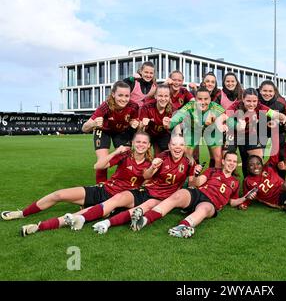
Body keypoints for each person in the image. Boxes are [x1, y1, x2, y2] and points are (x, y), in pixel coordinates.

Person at [9, 132, 153, 236]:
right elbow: (98, 166)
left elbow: (146, 186)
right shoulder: (124, 155)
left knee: (75, 215)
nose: (141, 145)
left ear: (149, 146)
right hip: (103, 190)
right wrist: (115, 152)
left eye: (144, 142)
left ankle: (39, 227)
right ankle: (23, 213)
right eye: (138, 142)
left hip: (116, 201)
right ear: (133, 143)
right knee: (59, 194)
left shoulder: (151, 165)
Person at [62, 136, 199, 234]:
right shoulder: (163, 156)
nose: (177, 147)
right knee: (118, 198)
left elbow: (192, 184)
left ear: (184, 146)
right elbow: (146, 176)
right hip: (147, 190)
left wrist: (196, 174)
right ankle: (81, 218)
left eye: (181, 144)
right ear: (169, 146)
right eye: (174, 144)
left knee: (143, 207)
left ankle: (106, 223)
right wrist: (153, 167)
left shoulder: (189, 161)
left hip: (162, 198)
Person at [128, 151, 245, 238]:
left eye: (234, 161)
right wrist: (196, 174)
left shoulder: (235, 181)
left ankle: (181, 227)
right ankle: (144, 220)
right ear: (223, 161)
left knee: (204, 209)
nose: (232, 163)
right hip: (198, 193)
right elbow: (196, 183)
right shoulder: (212, 170)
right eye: (229, 160)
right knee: (178, 195)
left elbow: (232, 201)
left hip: (210, 203)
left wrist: (245, 198)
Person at [217, 88, 286, 177]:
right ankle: (224, 183)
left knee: (258, 160)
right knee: (227, 160)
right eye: (248, 101)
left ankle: (255, 184)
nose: (252, 104)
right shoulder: (236, 106)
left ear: (257, 100)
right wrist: (221, 126)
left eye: (254, 101)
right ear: (243, 99)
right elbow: (220, 118)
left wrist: (285, 119)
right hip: (233, 134)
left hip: (250, 135)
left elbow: (277, 115)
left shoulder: (260, 107)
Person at [80, 81, 139, 183]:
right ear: (113, 94)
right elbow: (84, 128)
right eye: (120, 95)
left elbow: (136, 124)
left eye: (127, 96)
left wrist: (135, 124)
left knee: (126, 159)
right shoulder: (105, 106)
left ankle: (120, 184)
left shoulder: (134, 106)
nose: (124, 99)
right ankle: (100, 189)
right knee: (102, 161)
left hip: (121, 131)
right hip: (104, 131)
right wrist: (93, 124)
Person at [169, 86, 225, 168]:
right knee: (187, 155)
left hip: (210, 131)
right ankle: (190, 176)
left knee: (218, 157)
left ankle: (214, 178)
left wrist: (222, 123)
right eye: (200, 99)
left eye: (206, 99)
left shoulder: (214, 106)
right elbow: (176, 118)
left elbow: (225, 117)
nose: (203, 102)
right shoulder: (189, 106)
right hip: (193, 130)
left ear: (210, 99)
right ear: (195, 99)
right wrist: (169, 122)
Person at [258, 80, 286, 179]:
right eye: (265, 91)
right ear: (260, 90)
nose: (267, 94)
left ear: (274, 92)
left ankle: (280, 180)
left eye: (270, 91)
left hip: (278, 130)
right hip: (261, 129)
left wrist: (277, 123)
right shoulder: (256, 99)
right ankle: (256, 180)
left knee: (280, 155)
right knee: (258, 155)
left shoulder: (281, 102)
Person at [140, 84, 173, 155]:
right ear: (155, 96)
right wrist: (142, 124)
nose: (163, 99)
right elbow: (140, 128)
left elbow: (174, 128)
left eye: (166, 96)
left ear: (169, 97)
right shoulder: (146, 107)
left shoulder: (172, 109)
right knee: (141, 149)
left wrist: (169, 125)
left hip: (163, 134)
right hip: (149, 133)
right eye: (160, 96)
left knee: (165, 153)